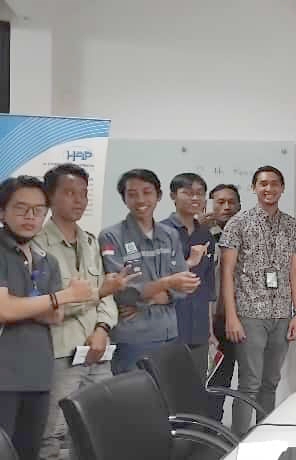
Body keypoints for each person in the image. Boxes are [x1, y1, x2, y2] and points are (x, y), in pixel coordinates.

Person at [36, 164, 137, 460]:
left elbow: (106, 293)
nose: (79, 200)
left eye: (83, 193)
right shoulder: (37, 245)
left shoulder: (90, 241)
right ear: (49, 197)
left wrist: (102, 329)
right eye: (70, 193)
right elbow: (49, 303)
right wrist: (99, 292)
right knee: (52, 434)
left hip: (98, 350)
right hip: (61, 352)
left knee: (97, 428)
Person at [0, 176, 96, 460]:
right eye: (21, 208)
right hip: (4, 377)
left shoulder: (45, 259)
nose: (30, 216)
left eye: (38, 210)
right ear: (2, 212)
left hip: (39, 375)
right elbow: (4, 310)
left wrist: (23, 306)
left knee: (29, 452)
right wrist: (62, 296)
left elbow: (56, 316)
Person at [219, 165, 296, 435]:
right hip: (249, 314)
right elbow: (226, 272)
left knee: (271, 382)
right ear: (254, 187)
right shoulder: (238, 223)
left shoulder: (293, 226)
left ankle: (263, 436)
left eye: (274, 183)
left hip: (281, 314)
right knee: (249, 383)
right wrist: (231, 317)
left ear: (282, 188)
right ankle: (239, 441)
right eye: (263, 183)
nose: (269, 188)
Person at [100, 169, 202, 375]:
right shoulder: (111, 236)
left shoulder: (170, 234)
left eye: (147, 192)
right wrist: (167, 283)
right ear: (124, 198)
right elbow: (122, 293)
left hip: (169, 332)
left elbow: (184, 286)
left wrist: (148, 298)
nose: (140, 200)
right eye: (132, 194)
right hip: (132, 338)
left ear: (159, 196)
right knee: (133, 394)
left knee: (167, 393)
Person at [162, 173, 218, 378]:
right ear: (173, 196)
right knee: (167, 386)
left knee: (196, 387)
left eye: (200, 193)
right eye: (187, 193)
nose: (195, 198)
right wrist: (189, 262)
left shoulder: (205, 235)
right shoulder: (161, 232)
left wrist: (210, 330)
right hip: (169, 327)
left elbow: (207, 287)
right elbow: (155, 280)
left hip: (199, 328)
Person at [205, 183, 242, 421]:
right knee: (206, 383)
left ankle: (218, 432)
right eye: (220, 202)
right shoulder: (200, 236)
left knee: (225, 383)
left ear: (239, 207)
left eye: (231, 202)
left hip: (238, 320)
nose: (226, 207)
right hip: (207, 321)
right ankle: (200, 434)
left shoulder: (247, 235)